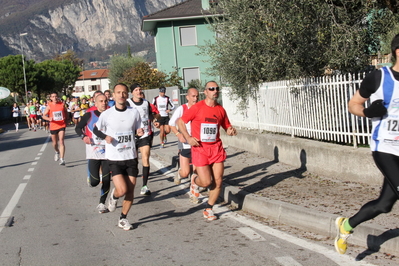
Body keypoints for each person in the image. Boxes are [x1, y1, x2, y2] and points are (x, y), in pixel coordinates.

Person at [334, 33, 399, 255]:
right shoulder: (379, 77)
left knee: (384, 205)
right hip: (385, 147)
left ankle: (346, 226)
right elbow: (353, 104)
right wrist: (367, 111)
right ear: (398, 51)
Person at [177, 81, 237, 220]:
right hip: (200, 149)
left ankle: (209, 208)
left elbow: (227, 126)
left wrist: (230, 130)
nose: (215, 91)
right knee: (206, 182)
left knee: (218, 181)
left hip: (216, 148)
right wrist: (188, 137)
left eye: (217, 88)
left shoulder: (220, 110)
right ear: (206, 92)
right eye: (211, 88)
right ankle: (195, 181)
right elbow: (180, 122)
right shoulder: (197, 107)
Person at [93, 83, 144, 231]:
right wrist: (105, 137)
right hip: (115, 158)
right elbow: (96, 130)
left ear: (127, 95)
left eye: (124, 92)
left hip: (131, 156)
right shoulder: (107, 114)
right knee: (121, 190)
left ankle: (123, 218)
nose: (121, 95)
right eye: (118, 92)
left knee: (130, 190)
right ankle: (114, 198)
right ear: (113, 95)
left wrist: (139, 132)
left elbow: (138, 128)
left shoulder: (133, 112)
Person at [75, 93, 111, 213]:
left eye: (105, 101)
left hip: (108, 152)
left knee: (106, 179)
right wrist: (83, 136)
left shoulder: (112, 114)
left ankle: (102, 203)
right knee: (95, 181)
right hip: (93, 152)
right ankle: (92, 180)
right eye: (101, 101)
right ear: (95, 104)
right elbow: (78, 128)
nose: (104, 103)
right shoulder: (89, 115)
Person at [127, 83, 160, 196]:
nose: (139, 91)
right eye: (136, 89)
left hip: (145, 134)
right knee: (134, 161)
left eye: (140, 89)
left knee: (145, 158)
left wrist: (155, 121)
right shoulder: (128, 103)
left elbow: (151, 115)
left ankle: (144, 186)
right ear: (132, 92)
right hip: (132, 136)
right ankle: (131, 181)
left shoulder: (146, 103)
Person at [169, 88, 199, 189]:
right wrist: (179, 134)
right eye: (193, 96)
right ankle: (179, 173)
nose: (195, 99)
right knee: (185, 172)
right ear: (187, 97)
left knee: (197, 170)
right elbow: (171, 124)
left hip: (197, 142)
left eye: (197, 96)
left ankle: (194, 192)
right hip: (185, 142)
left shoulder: (200, 108)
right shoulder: (181, 109)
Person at [42, 92, 68, 166]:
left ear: (58, 97)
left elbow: (65, 112)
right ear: (50, 98)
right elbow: (44, 116)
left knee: (61, 141)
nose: (55, 98)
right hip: (53, 126)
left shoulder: (62, 104)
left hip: (62, 125)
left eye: (56, 96)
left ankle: (62, 159)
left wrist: (66, 118)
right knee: (55, 143)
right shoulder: (49, 106)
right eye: (53, 96)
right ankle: (57, 151)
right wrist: (49, 118)